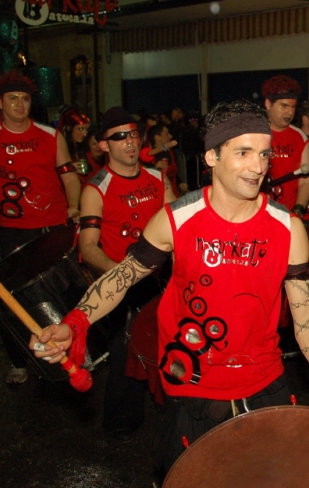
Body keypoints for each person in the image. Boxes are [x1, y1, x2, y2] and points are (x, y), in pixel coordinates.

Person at [30, 100, 309, 475]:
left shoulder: (288, 228)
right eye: (243, 152)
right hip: (191, 383)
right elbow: (119, 280)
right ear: (211, 157)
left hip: (262, 380)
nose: (258, 167)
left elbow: (305, 319)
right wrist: (73, 323)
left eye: (264, 154)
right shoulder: (176, 219)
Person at [0, 70, 81, 384]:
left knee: (65, 293)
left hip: (54, 229)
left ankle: (76, 353)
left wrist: (74, 206)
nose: (19, 104)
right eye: (12, 98)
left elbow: (69, 176)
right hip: (14, 233)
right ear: (0, 103)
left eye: (25, 99)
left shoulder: (51, 136)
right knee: (13, 302)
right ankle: (19, 361)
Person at [78, 106, 177, 442]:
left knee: (172, 343)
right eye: (119, 137)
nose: (130, 142)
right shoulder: (95, 189)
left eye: (133, 134)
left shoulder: (157, 179)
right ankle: (122, 423)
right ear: (104, 145)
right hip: (121, 284)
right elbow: (88, 247)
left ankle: (176, 408)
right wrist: (121, 275)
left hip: (161, 280)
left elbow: (180, 229)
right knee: (124, 352)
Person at [262, 75, 309, 217]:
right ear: (268, 104)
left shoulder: (300, 137)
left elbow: (305, 181)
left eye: (293, 107)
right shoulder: (254, 134)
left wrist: (298, 210)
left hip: (289, 213)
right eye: (284, 106)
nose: (290, 112)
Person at [140, 123, 187, 197]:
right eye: (167, 134)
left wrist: (180, 183)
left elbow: (174, 173)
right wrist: (155, 167)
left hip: (173, 194)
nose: (170, 136)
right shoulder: (147, 154)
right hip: (157, 196)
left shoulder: (170, 152)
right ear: (157, 137)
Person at [58, 107, 92, 180]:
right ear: (69, 128)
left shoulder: (84, 147)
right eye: (80, 129)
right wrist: (68, 168)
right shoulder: (59, 149)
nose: (85, 134)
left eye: (86, 129)